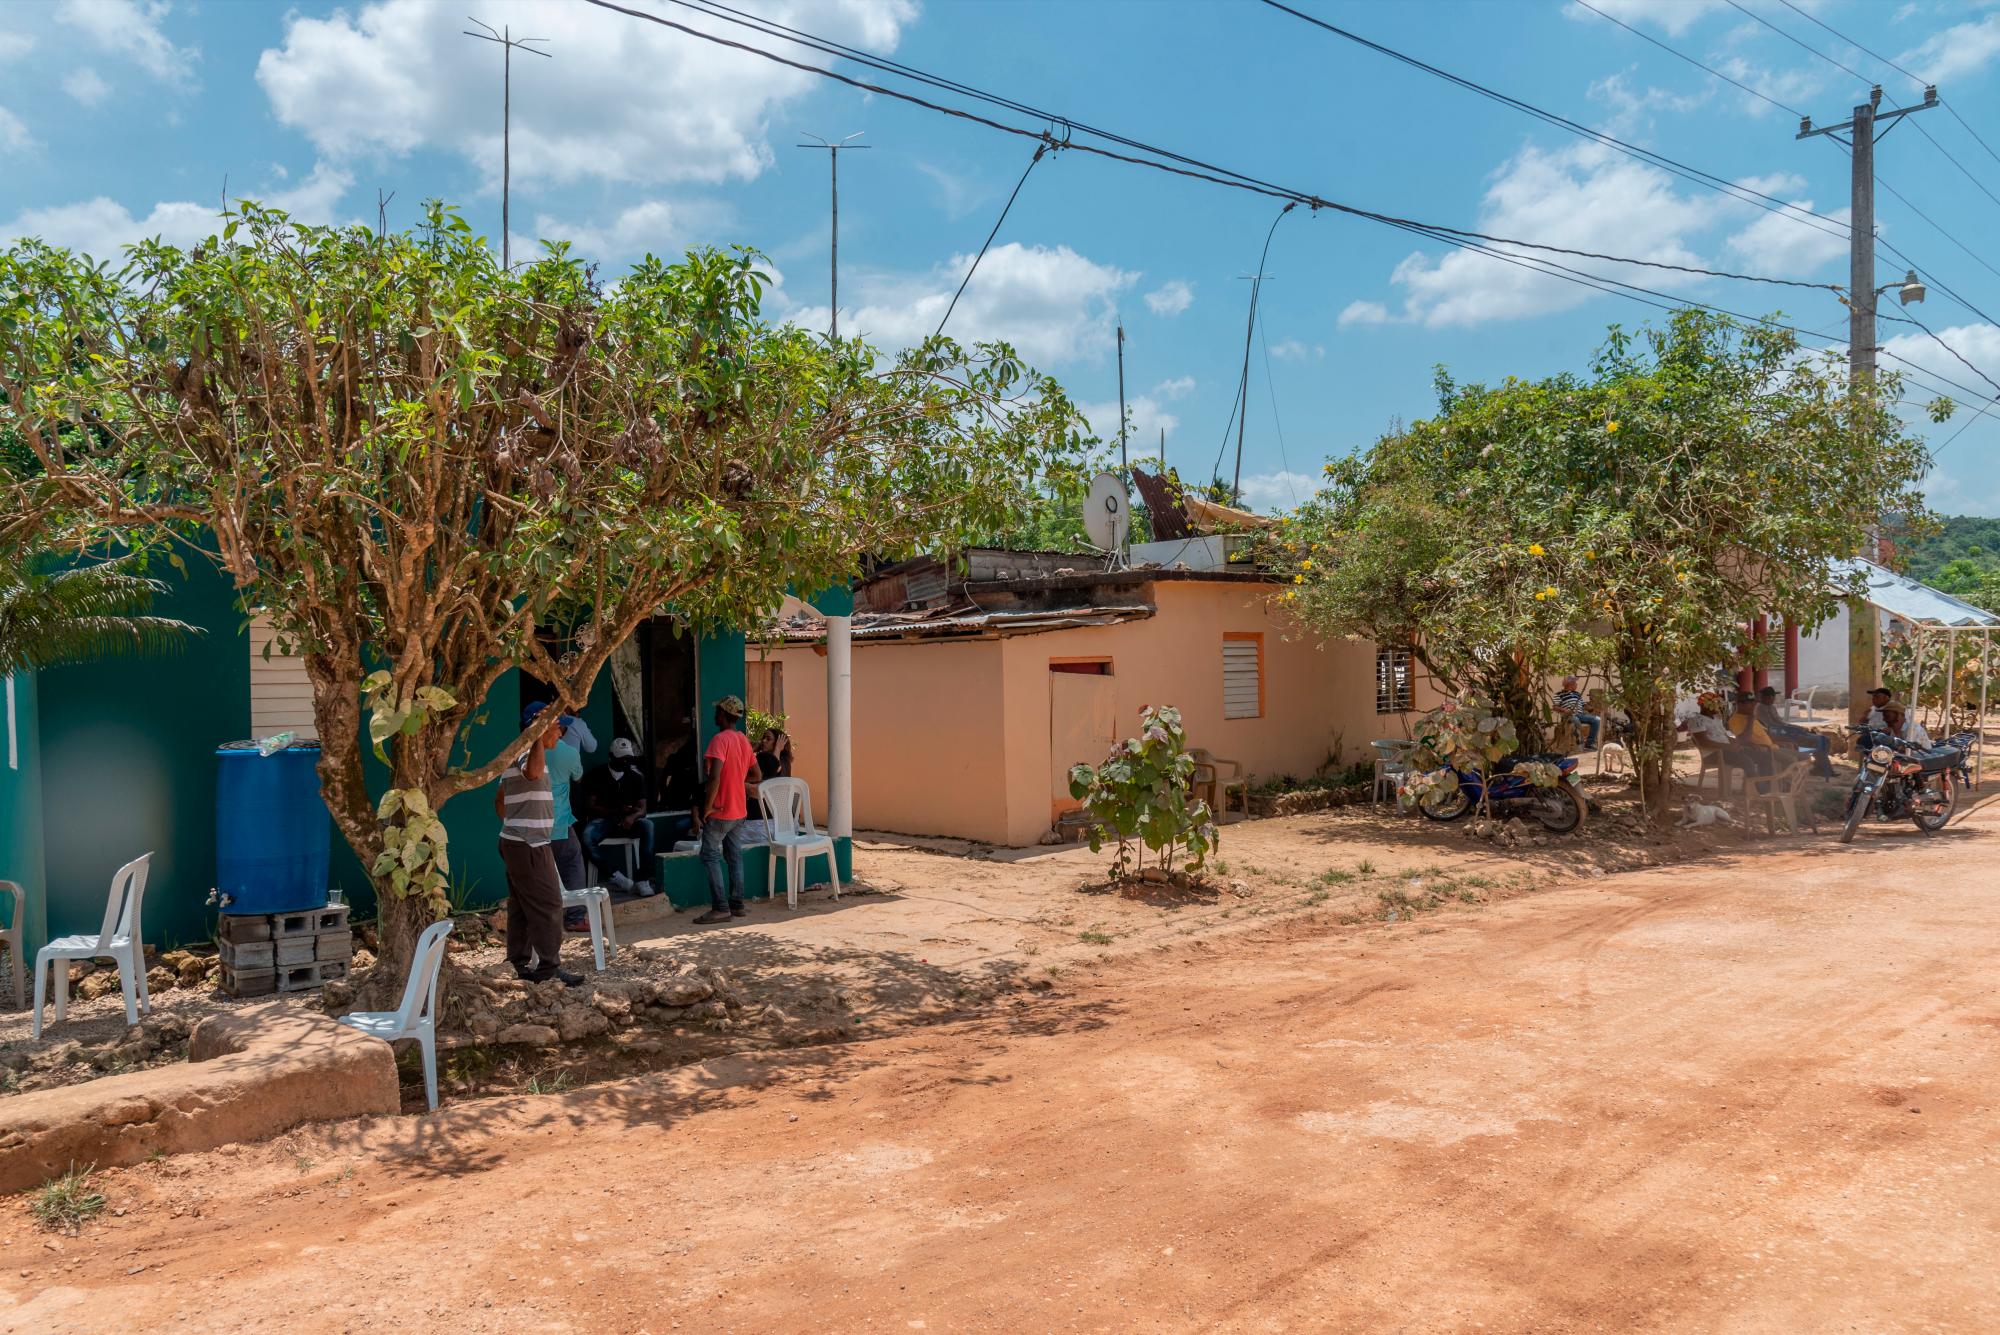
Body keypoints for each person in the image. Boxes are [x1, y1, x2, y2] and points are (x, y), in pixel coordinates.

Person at [495, 711, 581, 986]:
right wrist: (525, 830)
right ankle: (548, 969)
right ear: (540, 729)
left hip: (520, 841)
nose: (560, 733)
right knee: (549, 903)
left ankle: (519, 964)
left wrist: (515, 824)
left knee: (521, 905)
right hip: (530, 844)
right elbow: (531, 774)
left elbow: (499, 800)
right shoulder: (527, 752)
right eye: (556, 728)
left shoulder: (526, 753)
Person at [694, 695, 758, 925]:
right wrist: (739, 780)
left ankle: (721, 908)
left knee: (709, 855)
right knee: (734, 856)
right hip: (739, 810)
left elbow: (714, 778)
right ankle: (737, 905)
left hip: (721, 810)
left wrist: (707, 808)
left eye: (717, 711)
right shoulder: (743, 740)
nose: (715, 715)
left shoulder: (720, 740)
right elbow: (757, 775)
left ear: (723, 714)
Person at [578, 738, 657, 897]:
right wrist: (616, 810)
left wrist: (632, 816)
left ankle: (643, 879)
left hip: (629, 822)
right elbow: (590, 805)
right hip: (604, 820)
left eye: (629, 757)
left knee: (648, 825)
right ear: (611, 756)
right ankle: (617, 877)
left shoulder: (635, 777)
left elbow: (643, 809)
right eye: (622, 757)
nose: (626, 761)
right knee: (586, 837)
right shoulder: (597, 774)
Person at [1754, 686, 1835, 778]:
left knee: (1825, 740)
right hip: (1781, 735)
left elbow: (1781, 723)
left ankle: (1820, 766)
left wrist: (1798, 728)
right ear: (1767, 697)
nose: (1773, 699)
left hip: (1787, 732)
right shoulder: (1760, 708)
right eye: (1771, 697)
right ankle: (1823, 768)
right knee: (1819, 741)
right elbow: (1772, 727)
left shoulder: (1771, 707)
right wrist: (1794, 730)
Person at [1553, 676, 1600, 752]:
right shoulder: (1559, 694)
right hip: (1568, 716)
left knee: (1597, 719)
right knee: (1575, 720)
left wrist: (1591, 708)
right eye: (1575, 683)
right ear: (1570, 684)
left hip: (1581, 715)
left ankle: (1589, 743)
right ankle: (1580, 740)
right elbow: (1555, 707)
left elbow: (1584, 705)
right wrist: (1565, 710)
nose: (1577, 685)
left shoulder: (1577, 694)